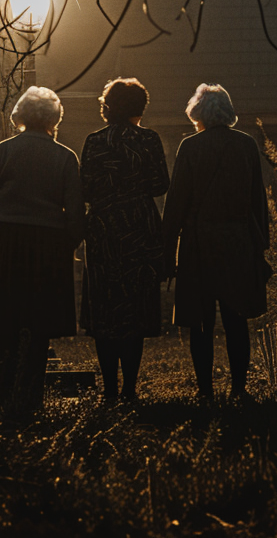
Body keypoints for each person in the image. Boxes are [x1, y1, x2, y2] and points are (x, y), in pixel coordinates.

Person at [0, 86, 85, 415]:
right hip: (49, 243)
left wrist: (8, 216)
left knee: (4, 317)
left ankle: (3, 389)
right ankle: (32, 393)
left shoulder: (5, 150)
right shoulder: (65, 157)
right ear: (54, 118)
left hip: (7, 238)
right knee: (39, 323)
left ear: (21, 116)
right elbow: (76, 213)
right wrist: (67, 242)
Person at [161, 83, 271, 401]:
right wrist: (260, 245)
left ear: (198, 114)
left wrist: (168, 245)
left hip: (198, 244)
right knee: (236, 319)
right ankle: (239, 388)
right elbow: (257, 201)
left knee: (200, 321)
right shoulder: (247, 145)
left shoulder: (190, 147)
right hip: (238, 241)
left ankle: (205, 391)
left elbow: (177, 200)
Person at [79, 77, 170, 402]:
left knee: (104, 307)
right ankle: (130, 387)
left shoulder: (94, 141)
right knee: (134, 305)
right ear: (140, 107)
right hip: (139, 226)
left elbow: (85, 188)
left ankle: (110, 389)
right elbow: (160, 184)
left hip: (104, 228)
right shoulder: (149, 140)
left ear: (107, 107)